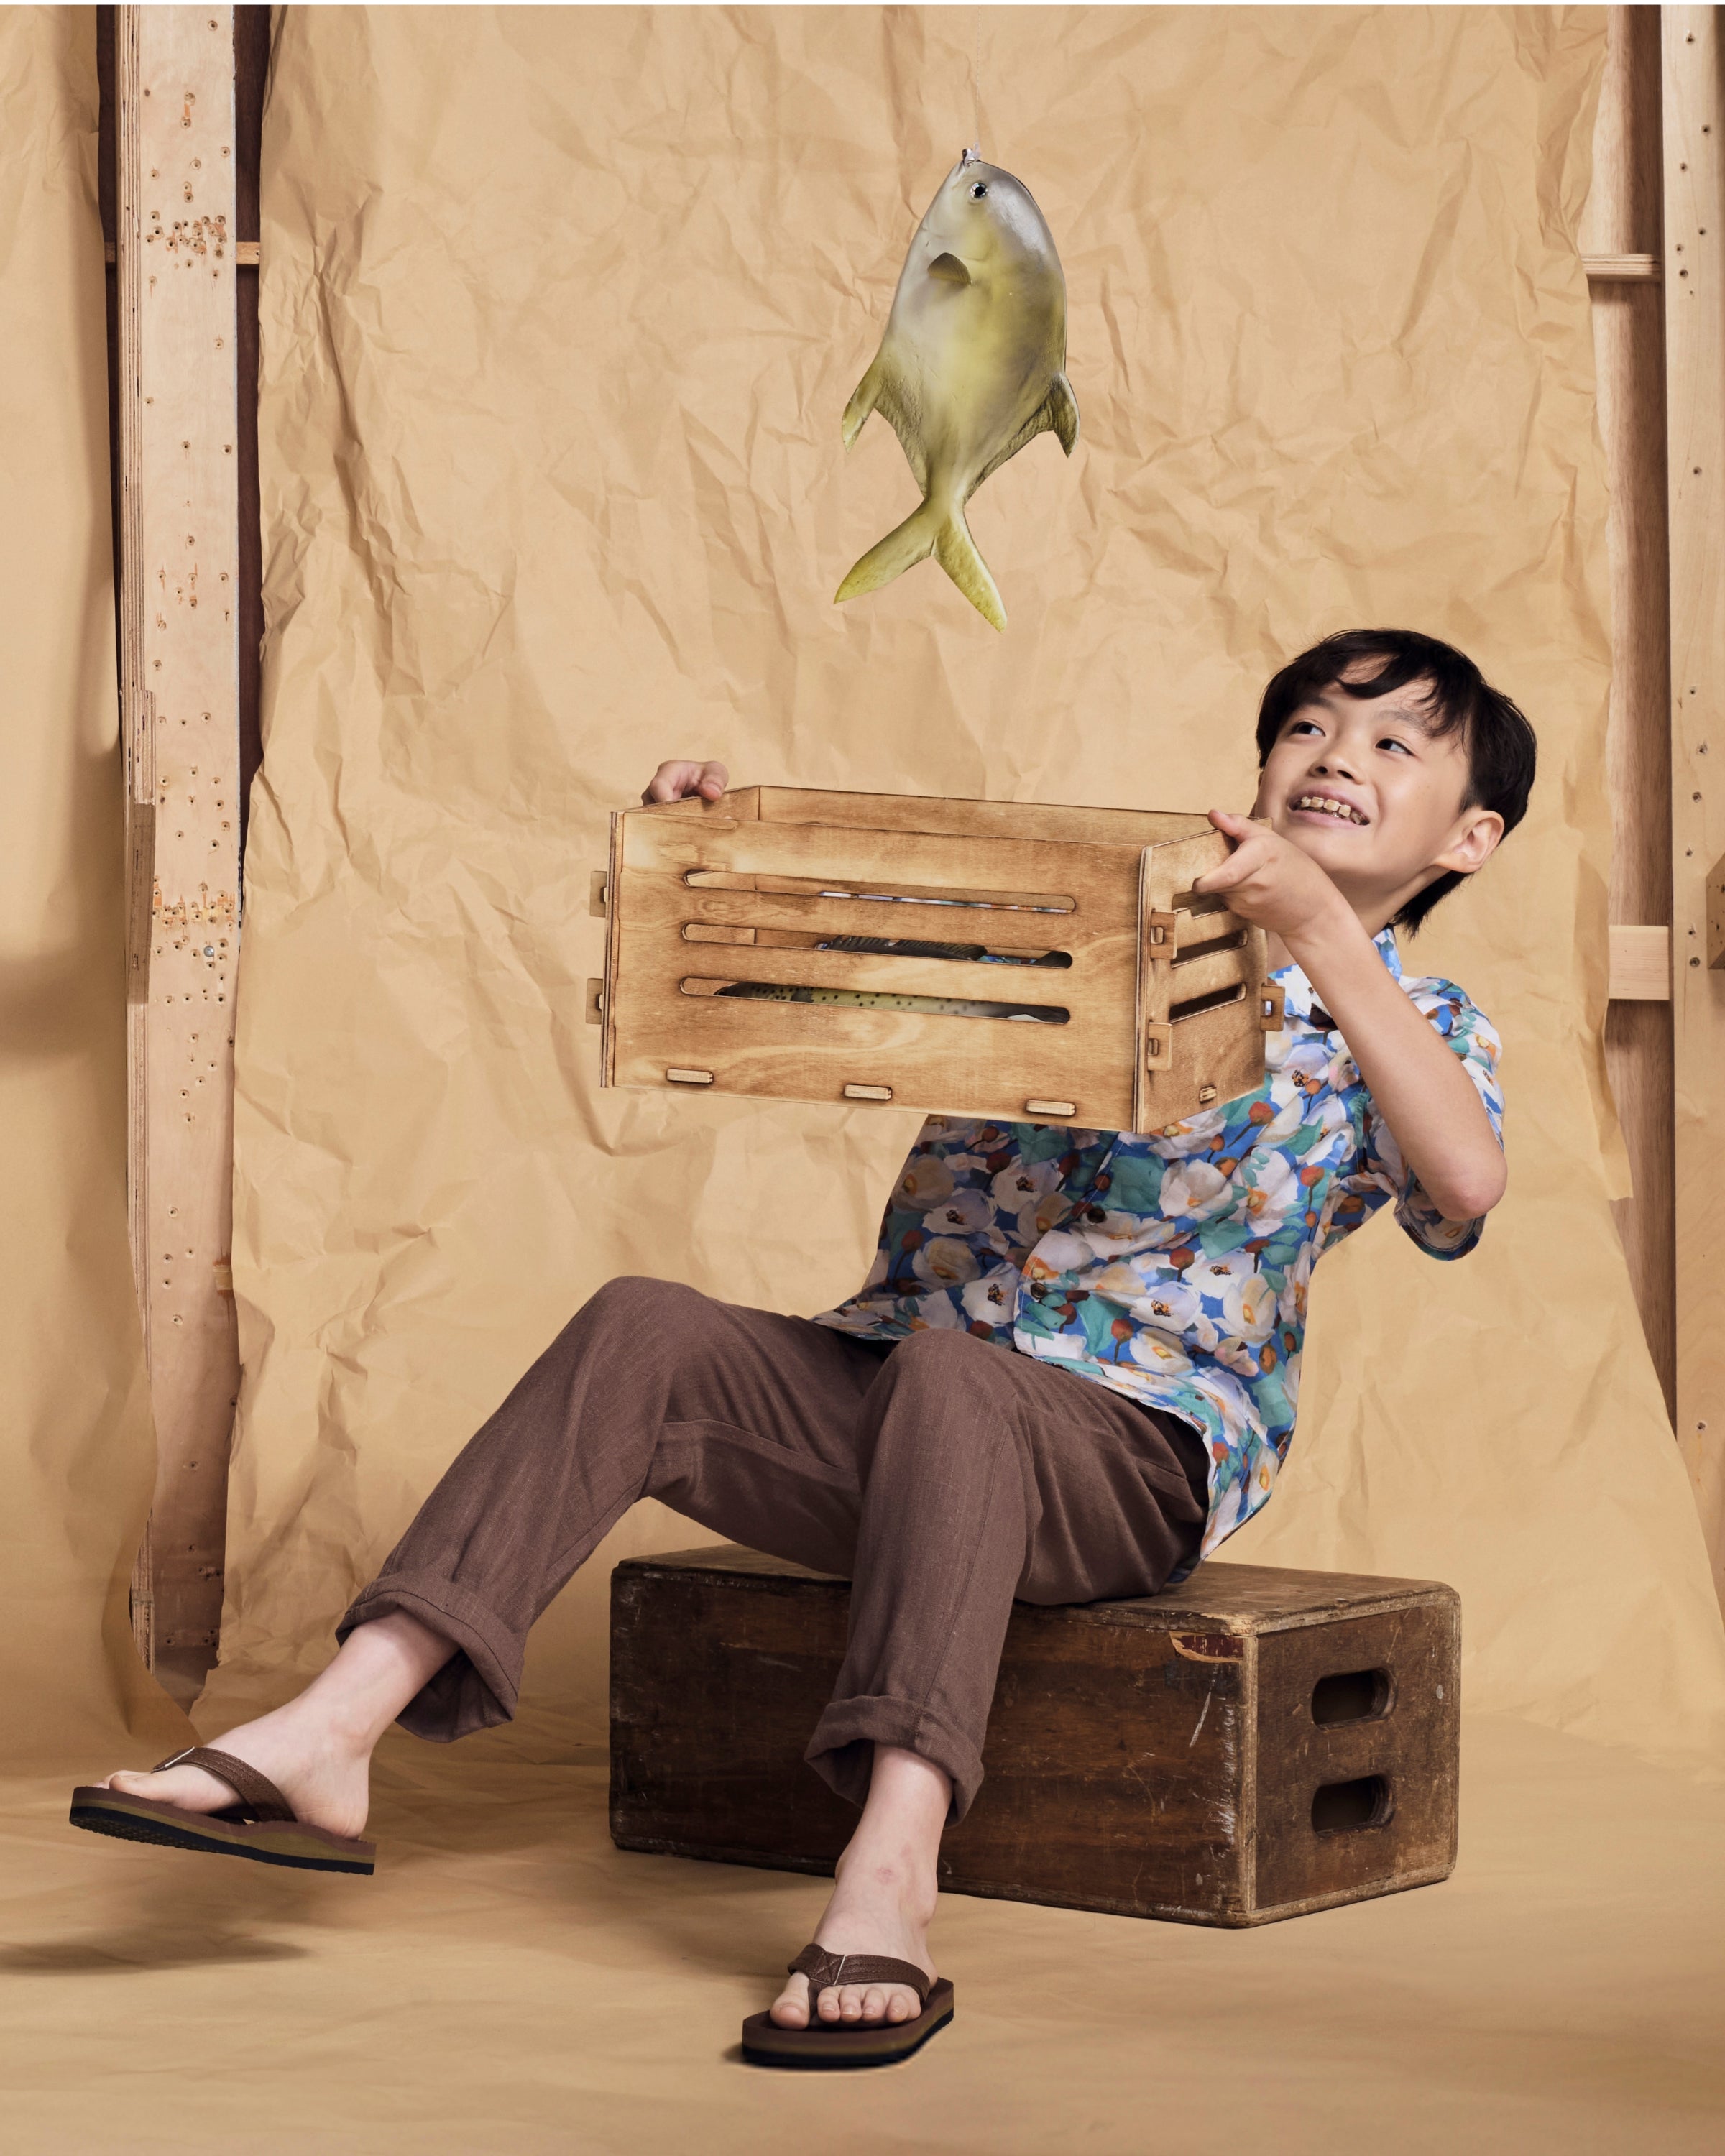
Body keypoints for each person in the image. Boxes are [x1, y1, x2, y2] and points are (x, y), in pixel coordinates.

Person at [75, 627, 1532, 2068]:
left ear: (1468, 837)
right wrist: (726, 857)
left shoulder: (1414, 1023)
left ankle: (893, 1865)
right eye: (1309, 730)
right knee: (651, 1324)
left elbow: (1463, 1183)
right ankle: (337, 1732)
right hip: (902, 1389)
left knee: (967, 1377)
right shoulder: (1100, 928)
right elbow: (858, 970)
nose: (1338, 757)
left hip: (1123, 1457)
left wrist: (1325, 936)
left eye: (1394, 744)